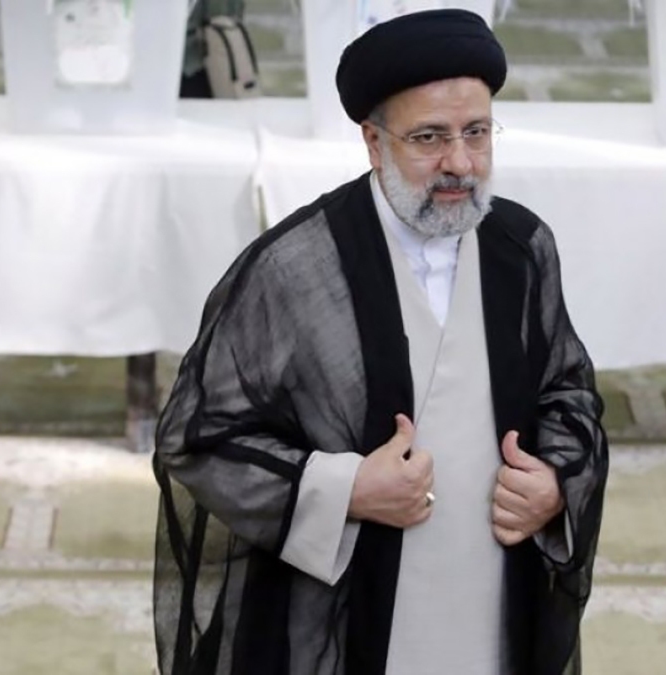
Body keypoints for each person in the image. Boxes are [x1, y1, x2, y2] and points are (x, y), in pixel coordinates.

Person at [152, 9, 609, 675]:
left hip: (493, 607)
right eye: (429, 137)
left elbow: (568, 391)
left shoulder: (523, 247)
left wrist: (556, 483)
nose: (460, 163)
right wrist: (346, 488)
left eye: (477, 133)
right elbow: (196, 437)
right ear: (373, 141)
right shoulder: (294, 270)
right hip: (342, 625)